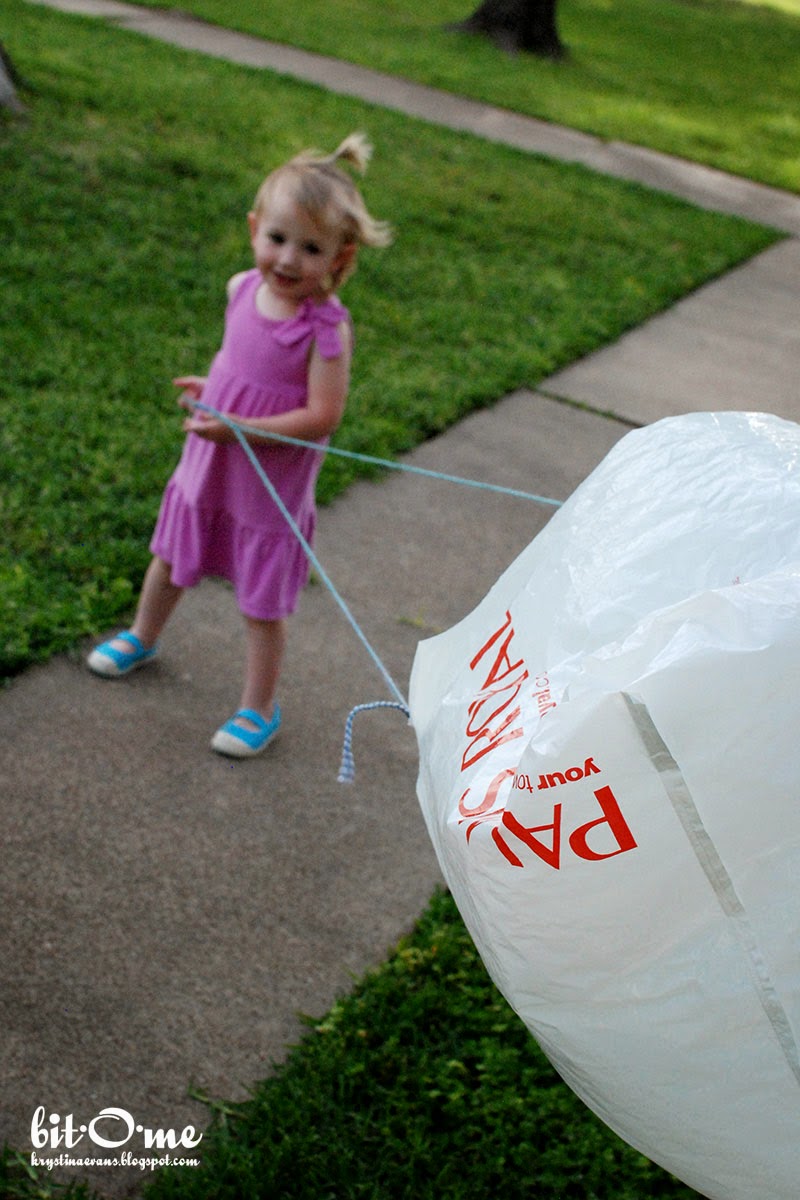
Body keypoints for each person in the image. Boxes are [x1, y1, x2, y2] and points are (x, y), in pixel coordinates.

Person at [88, 132, 391, 758]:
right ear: (255, 228)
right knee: (172, 554)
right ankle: (144, 635)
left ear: (340, 258)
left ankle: (259, 707)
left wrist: (243, 428)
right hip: (210, 463)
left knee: (260, 600)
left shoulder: (327, 329)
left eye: (311, 248)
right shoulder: (239, 290)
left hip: (266, 481)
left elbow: (323, 414)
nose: (287, 259)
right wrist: (215, 387)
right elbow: (238, 362)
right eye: (277, 239)